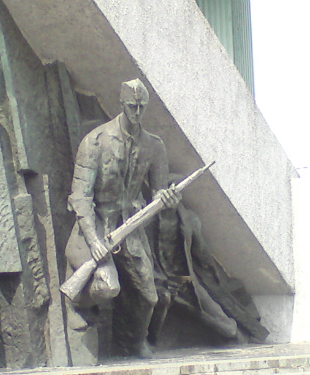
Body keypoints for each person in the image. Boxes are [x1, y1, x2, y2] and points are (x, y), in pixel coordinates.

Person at [65, 78, 180, 363]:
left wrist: (166, 199)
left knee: (150, 297)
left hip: (131, 228)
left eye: (142, 107)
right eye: (132, 106)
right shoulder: (95, 142)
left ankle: (133, 341)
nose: (137, 112)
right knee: (108, 287)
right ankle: (77, 303)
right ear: (121, 103)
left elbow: (157, 194)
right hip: (97, 227)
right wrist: (93, 243)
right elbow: (80, 198)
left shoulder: (155, 146)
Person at [148, 176, 269, 346]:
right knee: (157, 302)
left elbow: (203, 255)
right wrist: (160, 281)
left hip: (186, 283)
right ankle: (148, 343)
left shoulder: (189, 220)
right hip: (156, 282)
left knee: (228, 328)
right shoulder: (146, 222)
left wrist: (206, 279)